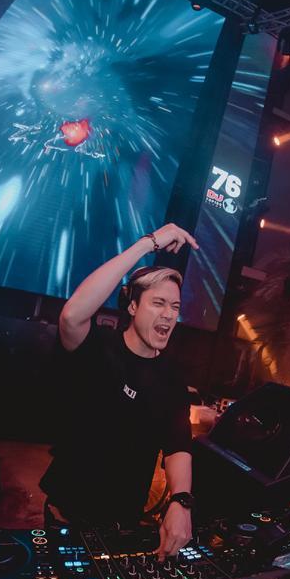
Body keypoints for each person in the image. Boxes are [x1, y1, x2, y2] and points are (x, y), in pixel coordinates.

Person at [39, 223, 199, 560]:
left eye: (174, 307)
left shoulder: (172, 378)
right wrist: (147, 244)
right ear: (132, 306)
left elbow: (178, 445)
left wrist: (181, 501)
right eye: (158, 303)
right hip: (67, 516)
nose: (169, 315)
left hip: (123, 525)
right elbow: (71, 316)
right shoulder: (99, 348)